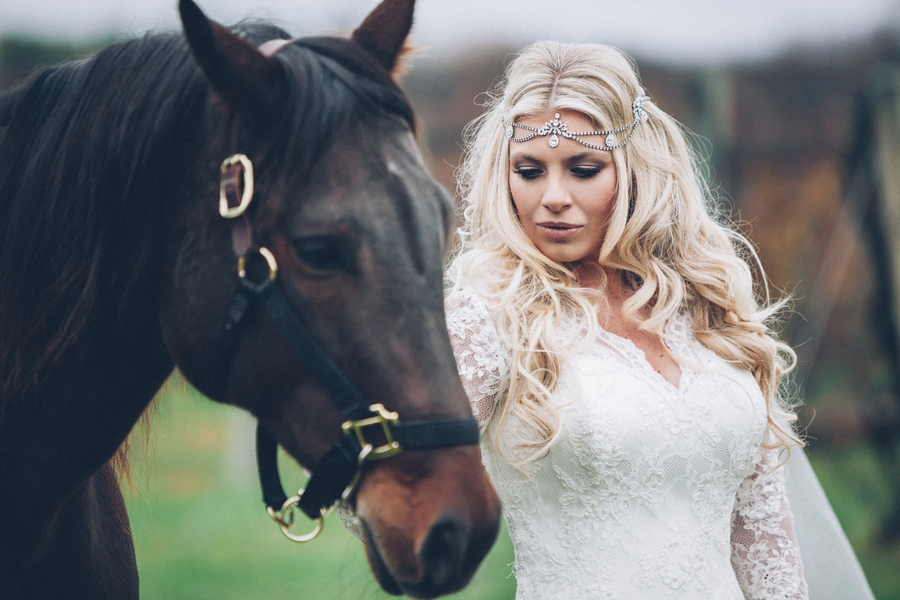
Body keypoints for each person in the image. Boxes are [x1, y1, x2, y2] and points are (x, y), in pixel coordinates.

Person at [443, 41, 808, 599]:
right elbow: (396, 483)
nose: (554, 197)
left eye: (584, 169)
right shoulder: (488, 315)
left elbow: (761, 533)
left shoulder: (710, 305)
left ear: (636, 169)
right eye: (530, 171)